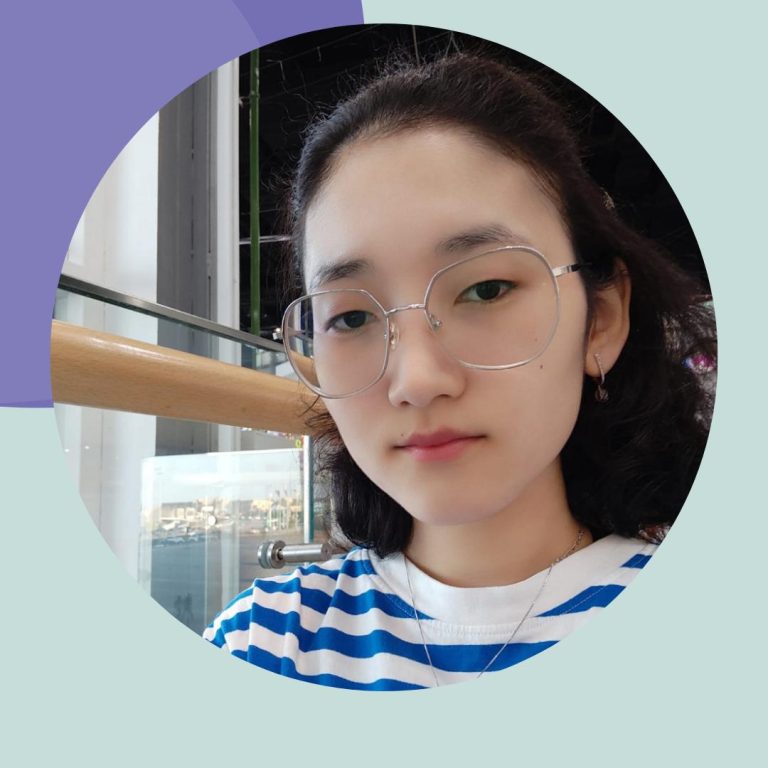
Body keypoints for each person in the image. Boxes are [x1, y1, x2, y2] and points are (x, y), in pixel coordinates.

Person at [203, 52, 715, 690]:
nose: (417, 380)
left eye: (486, 289)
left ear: (600, 320)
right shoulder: (265, 642)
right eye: (351, 318)